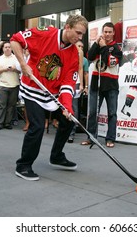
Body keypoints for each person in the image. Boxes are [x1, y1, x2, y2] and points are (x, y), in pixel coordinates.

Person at [10, 14, 88, 181]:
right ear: (67, 27)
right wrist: (23, 64)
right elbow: (15, 40)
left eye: (82, 34)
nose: (80, 37)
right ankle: (23, 165)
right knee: (37, 126)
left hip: (52, 93)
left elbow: (68, 83)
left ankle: (56, 155)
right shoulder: (45, 33)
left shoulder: (74, 53)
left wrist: (67, 107)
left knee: (69, 120)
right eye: (78, 32)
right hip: (32, 87)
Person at [81, 22, 123, 148]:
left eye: (110, 32)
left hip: (111, 85)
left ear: (114, 33)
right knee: (92, 112)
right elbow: (89, 56)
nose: (107, 34)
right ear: (102, 32)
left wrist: (104, 47)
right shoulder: (98, 44)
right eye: (105, 31)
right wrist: (96, 43)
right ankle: (91, 137)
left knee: (112, 113)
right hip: (96, 83)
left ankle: (110, 139)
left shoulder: (116, 48)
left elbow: (110, 62)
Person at [0, 41, 20, 130]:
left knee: (11, 106)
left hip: (14, 84)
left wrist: (14, 69)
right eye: (6, 47)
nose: (8, 48)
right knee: (1, 105)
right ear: (2, 48)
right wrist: (4, 69)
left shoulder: (16, 58)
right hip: (2, 84)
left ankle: (7, 123)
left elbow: (21, 70)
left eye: (9, 47)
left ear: (12, 48)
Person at [68, 40, 89, 143]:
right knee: (65, 106)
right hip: (66, 83)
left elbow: (83, 71)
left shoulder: (83, 58)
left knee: (74, 107)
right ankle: (65, 130)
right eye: (78, 45)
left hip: (75, 83)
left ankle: (71, 132)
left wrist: (83, 85)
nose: (80, 48)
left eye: (82, 46)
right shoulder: (67, 52)